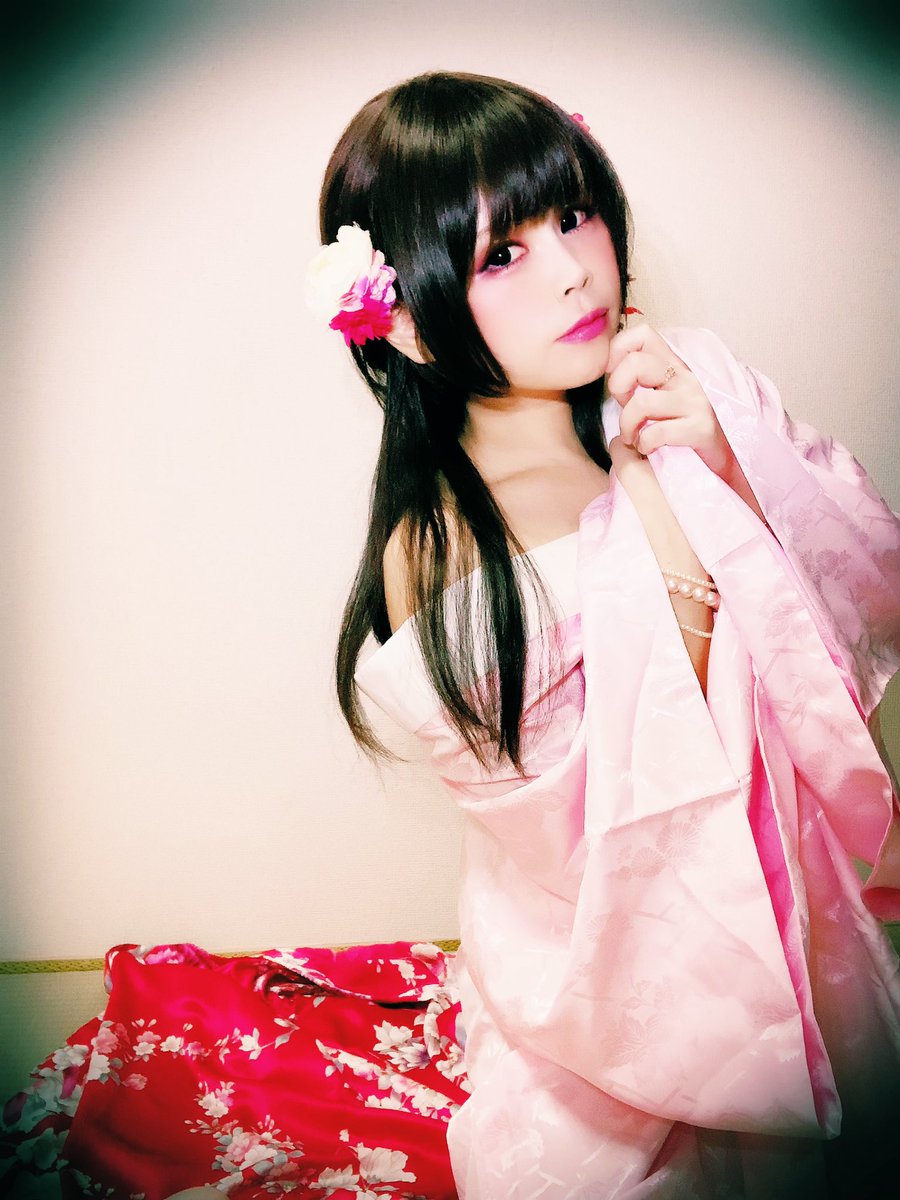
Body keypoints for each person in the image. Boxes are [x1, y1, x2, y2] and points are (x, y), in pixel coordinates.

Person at [306, 71, 900, 1198]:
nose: (576, 268)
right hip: (633, 1005)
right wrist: (662, 499)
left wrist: (725, 457)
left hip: (800, 919)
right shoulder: (445, 548)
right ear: (409, 321)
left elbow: (862, 596)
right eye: (502, 254)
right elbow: (618, 849)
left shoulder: (672, 390)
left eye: (574, 213)